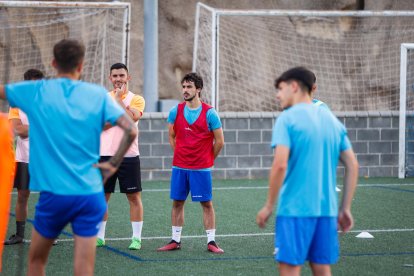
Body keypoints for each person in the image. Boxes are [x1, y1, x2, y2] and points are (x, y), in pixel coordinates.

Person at [0, 39, 137, 276]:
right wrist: (112, 164)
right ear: (81, 65)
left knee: (36, 263)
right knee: (83, 268)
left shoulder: (37, 91)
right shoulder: (97, 94)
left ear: (53, 63)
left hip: (55, 195)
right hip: (89, 193)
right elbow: (131, 129)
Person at [256, 67, 359, 276]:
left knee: (290, 268)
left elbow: (280, 164)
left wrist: (268, 205)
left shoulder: (287, 118)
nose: (277, 95)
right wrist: (345, 207)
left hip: (295, 211)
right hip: (327, 212)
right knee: (321, 267)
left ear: (294, 87)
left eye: (281, 89)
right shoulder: (331, 120)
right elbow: (353, 165)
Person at [157, 72, 225, 254]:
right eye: (184, 87)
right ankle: (175, 240)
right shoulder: (175, 111)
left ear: (198, 89)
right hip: (179, 166)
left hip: (200, 168)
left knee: (207, 204)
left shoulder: (210, 113)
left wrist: (209, 159)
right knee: (177, 202)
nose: (185, 90)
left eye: (189, 87)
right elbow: (171, 135)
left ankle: (211, 242)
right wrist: (178, 153)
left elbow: (220, 141)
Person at [97, 63, 145, 250]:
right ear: (110, 78)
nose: (118, 79)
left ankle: (136, 238)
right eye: (115, 76)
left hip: (129, 155)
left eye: (121, 75)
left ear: (128, 77)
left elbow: (131, 119)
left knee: (133, 197)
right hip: (105, 155)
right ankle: (100, 237)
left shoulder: (137, 99)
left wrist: (118, 102)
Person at [4, 69, 44, 246]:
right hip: (23, 158)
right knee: (22, 195)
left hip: (46, 158)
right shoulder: (16, 104)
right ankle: (19, 235)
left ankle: (49, 234)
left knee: (48, 196)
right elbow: (18, 130)